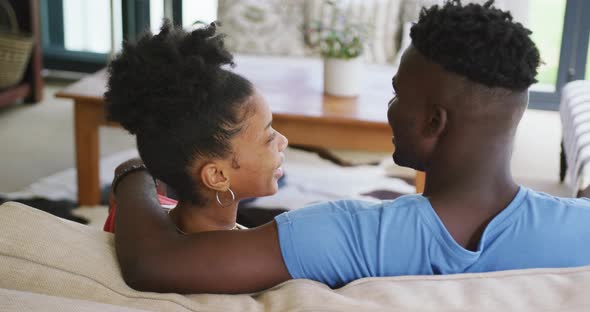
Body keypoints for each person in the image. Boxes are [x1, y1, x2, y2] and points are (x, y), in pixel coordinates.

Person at [111, 0, 590, 294]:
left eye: (398, 93)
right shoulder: (578, 231)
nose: (391, 105)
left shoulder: (345, 235)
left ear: (432, 122)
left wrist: (133, 171)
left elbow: (154, 263)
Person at [103, 21, 288, 235]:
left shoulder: (127, 216)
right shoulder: (245, 263)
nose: (283, 141)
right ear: (218, 176)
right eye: (268, 137)